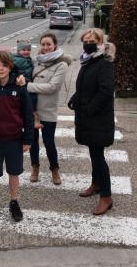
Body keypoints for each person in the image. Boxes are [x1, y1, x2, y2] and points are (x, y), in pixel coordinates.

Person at [0, 51, 33, 222]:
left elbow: (28, 114)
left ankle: (14, 202)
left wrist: (28, 139)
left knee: (13, 173)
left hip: (14, 139)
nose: (0, 68)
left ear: (10, 66)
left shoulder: (19, 86)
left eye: (4, 65)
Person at [68, 28, 116, 216]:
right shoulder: (88, 61)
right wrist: (75, 97)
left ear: (100, 42)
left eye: (91, 40)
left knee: (98, 156)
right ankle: (96, 184)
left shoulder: (103, 62)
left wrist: (89, 109)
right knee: (93, 152)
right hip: (88, 117)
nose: (88, 42)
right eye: (85, 39)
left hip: (97, 118)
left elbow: (105, 91)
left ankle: (106, 196)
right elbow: (86, 86)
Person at [25, 33, 72, 185]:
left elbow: (52, 87)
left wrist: (28, 87)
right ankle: (35, 168)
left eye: (48, 44)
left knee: (48, 141)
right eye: (43, 44)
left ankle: (55, 170)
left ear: (55, 45)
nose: (45, 47)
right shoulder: (36, 62)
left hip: (48, 111)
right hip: (32, 110)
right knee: (32, 141)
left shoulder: (61, 64)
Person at [13, 40, 41, 129]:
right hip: (24, 84)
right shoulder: (19, 60)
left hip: (27, 83)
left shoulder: (27, 59)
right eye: (23, 49)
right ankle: (34, 118)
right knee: (32, 99)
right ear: (18, 51)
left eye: (28, 50)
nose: (26, 52)